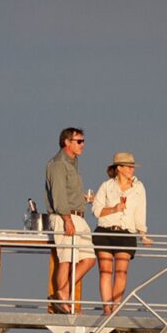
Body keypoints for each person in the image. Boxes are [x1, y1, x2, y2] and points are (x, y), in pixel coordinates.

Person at [45, 127, 96, 314]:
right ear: (67, 142)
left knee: (89, 258)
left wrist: (83, 199)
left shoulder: (73, 163)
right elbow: (58, 195)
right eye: (79, 141)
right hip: (65, 216)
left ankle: (62, 293)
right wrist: (67, 219)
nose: (83, 144)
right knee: (65, 260)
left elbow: (67, 192)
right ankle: (62, 299)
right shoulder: (58, 163)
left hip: (78, 215)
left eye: (83, 141)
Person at [92, 152, 150, 314]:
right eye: (128, 167)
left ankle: (115, 308)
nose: (132, 169)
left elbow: (140, 212)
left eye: (132, 167)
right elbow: (96, 211)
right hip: (105, 230)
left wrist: (143, 234)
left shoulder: (138, 187)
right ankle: (107, 309)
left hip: (126, 233)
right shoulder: (106, 186)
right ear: (119, 168)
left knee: (121, 271)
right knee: (105, 271)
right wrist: (114, 209)